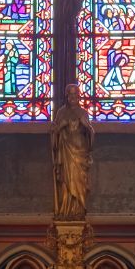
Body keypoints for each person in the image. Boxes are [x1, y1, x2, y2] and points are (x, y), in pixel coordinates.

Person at [50, 84, 93, 220]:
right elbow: (54, 133)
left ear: (79, 96)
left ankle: (78, 210)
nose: (72, 97)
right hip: (65, 153)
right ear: (67, 96)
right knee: (65, 182)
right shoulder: (61, 112)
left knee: (79, 180)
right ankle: (65, 210)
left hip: (80, 152)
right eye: (70, 95)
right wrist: (59, 128)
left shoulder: (83, 113)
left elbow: (91, 133)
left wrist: (87, 127)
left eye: (75, 95)